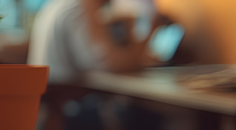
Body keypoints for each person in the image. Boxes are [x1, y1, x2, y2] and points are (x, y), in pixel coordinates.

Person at [28, 0, 159, 85]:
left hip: (51, 100)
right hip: (63, 106)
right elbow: (105, 63)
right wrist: (151, 32)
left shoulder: (56, 5)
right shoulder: (78, 7)